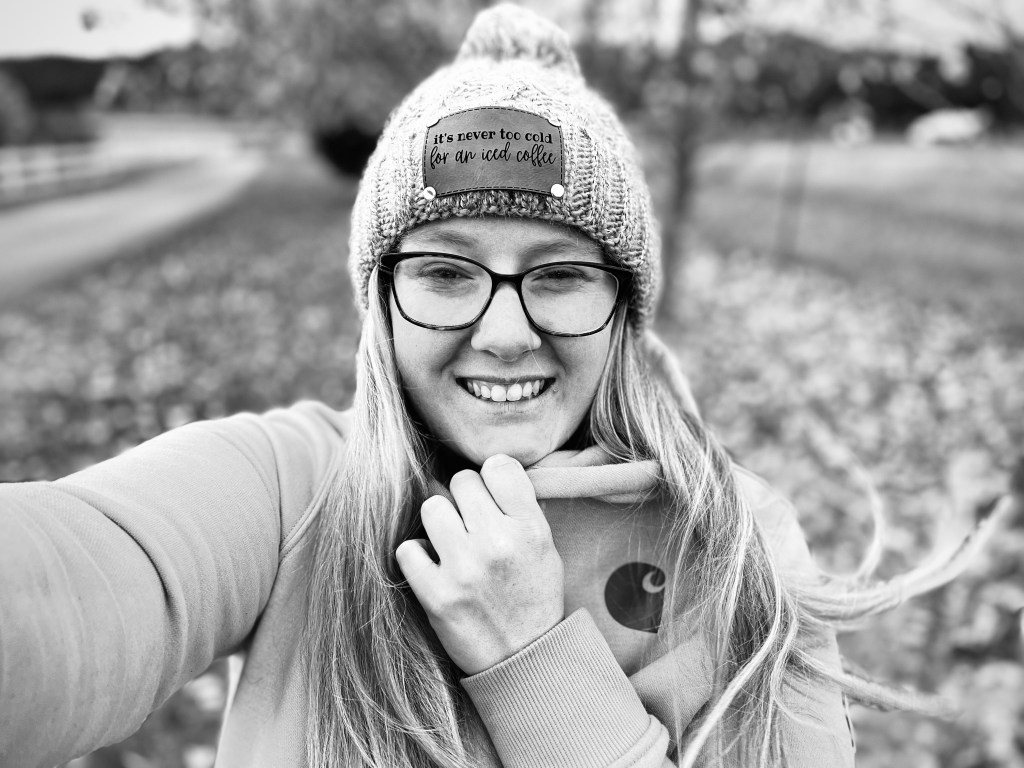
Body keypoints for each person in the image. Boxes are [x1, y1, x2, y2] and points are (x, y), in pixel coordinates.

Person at [0, 5, 992, 768]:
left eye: (559, 276)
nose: (506, 334)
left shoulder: (739, 547)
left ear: (625, 306)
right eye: (444, 272)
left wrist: (536, 663)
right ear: (381, 303)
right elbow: (71, 584)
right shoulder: (287, 492)